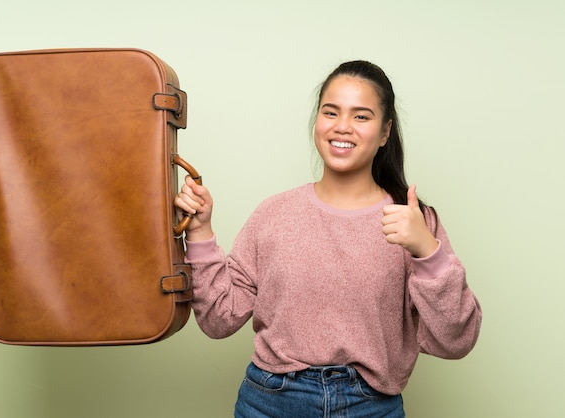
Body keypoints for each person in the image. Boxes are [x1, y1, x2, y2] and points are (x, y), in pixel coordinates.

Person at [174, 60, 482, 417]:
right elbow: (218, 319)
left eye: (361, 116)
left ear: (385, 132)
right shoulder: (274, 214)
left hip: (371, 407)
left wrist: (428, 252)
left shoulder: (414, 223)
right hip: (269, 403)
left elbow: (455, 340)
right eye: (330, 112)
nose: (342, 127)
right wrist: (198, 232)